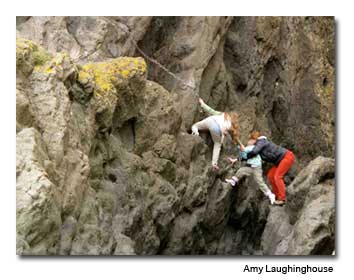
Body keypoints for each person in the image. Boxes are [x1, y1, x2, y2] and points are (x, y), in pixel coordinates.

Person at [243, 131, 295, 206]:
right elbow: (252, 157)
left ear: (254, 139)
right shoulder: (259, 145)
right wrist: (240, 158)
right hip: (279, 161)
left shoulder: (261, 141)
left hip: (286, 157)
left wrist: (247, 154)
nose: (248, 142)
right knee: (270, 176)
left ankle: (282, 199)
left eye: (249, 140)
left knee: (278, 176)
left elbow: (254, 152)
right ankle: (277, 196)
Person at [191, 98, 239, 171]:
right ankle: (214, 164)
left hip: (211, 121)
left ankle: (196, 133)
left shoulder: (223, 114)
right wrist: (222, 139)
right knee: (217, 144)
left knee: (195, 126)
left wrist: (202, 103)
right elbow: (223, 132)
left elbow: (211, 111)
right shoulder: (230, 126)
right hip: (217, 130)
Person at [225, 139, 276, 205]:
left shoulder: (253, 148)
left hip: (257, 168)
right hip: (251, 167)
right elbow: (243, 156)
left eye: (249, 142)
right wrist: (235, 159)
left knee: (259, 181)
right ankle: (233, 181)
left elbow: (246, 150)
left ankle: (270, 195)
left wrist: (241, 147)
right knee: (241, 170)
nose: (248, 142)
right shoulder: (248, 150)